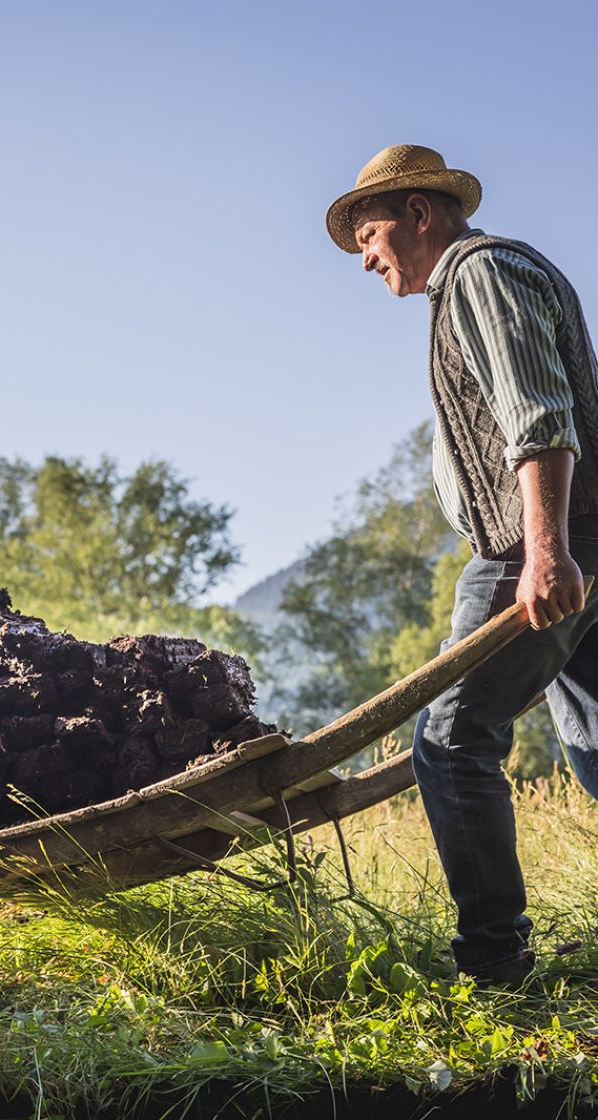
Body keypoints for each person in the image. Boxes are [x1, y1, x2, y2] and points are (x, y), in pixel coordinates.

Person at [327, 144, 598, 985]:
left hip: (536, 547)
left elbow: (537, 413)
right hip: (571, 538)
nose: (365, 258)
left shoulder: (480, 271)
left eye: (368, 234)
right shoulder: (483, 279)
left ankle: (495, 964)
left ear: (419, 213)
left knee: (449, 739)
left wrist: (544, 552)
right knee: (594, 741)